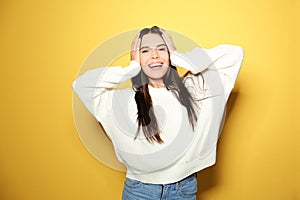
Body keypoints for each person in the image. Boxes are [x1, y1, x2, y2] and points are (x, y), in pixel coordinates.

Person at [72, 26, 244, 199]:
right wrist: (132, 67)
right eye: (145, 50)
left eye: (161, 48)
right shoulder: (120, 101)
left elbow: (234, 54)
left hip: (183, 190)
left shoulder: (195, 89)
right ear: (136, 56)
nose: (154, 55)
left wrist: (178, 56)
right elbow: (82, 84)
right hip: (139, 191)